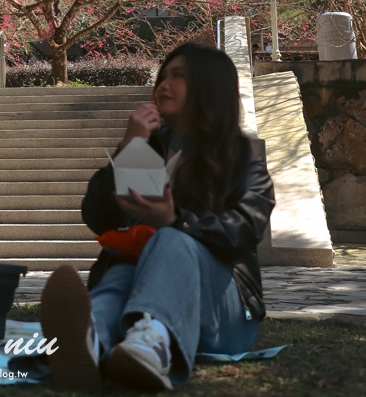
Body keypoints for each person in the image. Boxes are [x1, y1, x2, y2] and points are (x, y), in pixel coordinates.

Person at [39, 42, 275, 392]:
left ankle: (153, 345)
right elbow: (98, 215)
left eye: (177, 76)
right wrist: (130, 145)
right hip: (138, 298)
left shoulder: (243, 155)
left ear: (208, 87)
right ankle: (91, 340)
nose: (163, 83)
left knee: (170, 237)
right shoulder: (149, 145)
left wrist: (174, 219)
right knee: (122, 268)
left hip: (224, 316)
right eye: (163, 74)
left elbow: (245, 229)